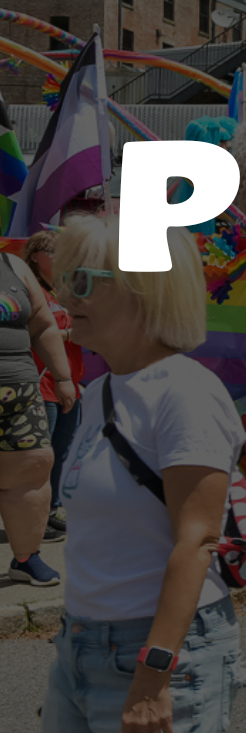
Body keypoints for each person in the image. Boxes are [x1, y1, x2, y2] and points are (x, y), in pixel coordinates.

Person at [42, 214, 246, 732]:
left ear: (144, 291)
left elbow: (197, 540)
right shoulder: (99, 394)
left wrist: (153, 675)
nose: (65, 295)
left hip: (159, 652)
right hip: (80, 644)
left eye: (83, 281)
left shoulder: (184, 392)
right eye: (64, 279)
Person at [1, 235, 77, 587]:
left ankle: (26, 559)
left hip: (20, 392)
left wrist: (62, 378)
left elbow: (43, 324)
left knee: (33, 469)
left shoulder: (13, 266)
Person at [25, 230, 83, 538]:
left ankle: (51, 510)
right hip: (42, 383)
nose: (59, 255)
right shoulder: (31, 291)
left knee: (61, 452)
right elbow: (32, 336)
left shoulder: (66, 290)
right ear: (35, 256)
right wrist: (70, 334)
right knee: (40, 456)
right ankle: (33, 517)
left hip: (70, 382)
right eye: (51, 250)